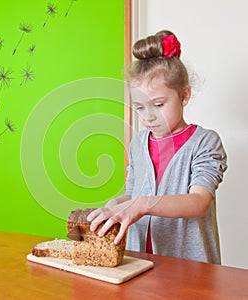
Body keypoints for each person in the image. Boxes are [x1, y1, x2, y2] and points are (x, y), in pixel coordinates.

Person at [87, 30, 227, 264]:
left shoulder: (205, 142)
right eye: (140, 107)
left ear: (184, 96)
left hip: (189, 269)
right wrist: (115, 205)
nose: (149, 116)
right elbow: (133, 193)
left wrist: (143, 204)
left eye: (158, 104)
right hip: (140, 263)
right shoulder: (139, 143)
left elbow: (199, 201)